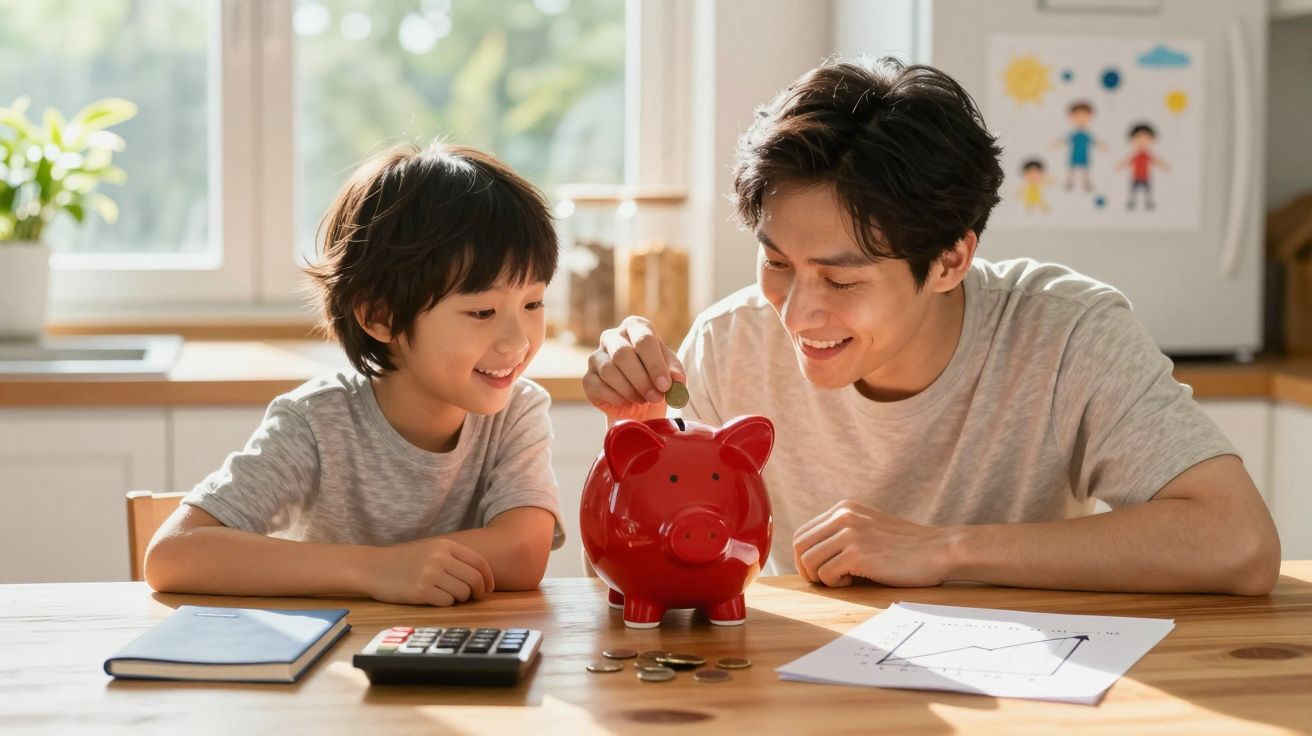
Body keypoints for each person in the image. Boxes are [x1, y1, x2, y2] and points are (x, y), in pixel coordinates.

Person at [583, 57, 1280, 596]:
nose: (795, 312)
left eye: (842, 278)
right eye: (776, 262)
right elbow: (635, 580)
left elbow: (1239, 542)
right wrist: (636, 439)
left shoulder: (1066, 333)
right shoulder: (729, 343)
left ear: (951, 259)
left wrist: (943, 549)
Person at [145, 144, 566, 606]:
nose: (518, 342)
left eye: (533, 304)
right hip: (334, 665)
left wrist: (402, 566)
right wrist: (375, 570)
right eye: (482, 311)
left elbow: (523, 555)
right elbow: (172, 555)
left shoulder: (517, 411)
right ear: (380, 316)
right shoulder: (316, 422)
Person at [1119, 123, 1168, 211]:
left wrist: (1163, 165)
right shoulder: (1135, 155)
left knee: (1148, 192)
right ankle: (1131, 202)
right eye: (1138, 138)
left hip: (1146, 177)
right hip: (1135, 177)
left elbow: (1156, 161)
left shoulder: (1148, 155)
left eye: (1146, 139)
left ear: (1152, 141)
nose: (1142, 142)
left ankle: (1148, 203)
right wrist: (1120, 165)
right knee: (1133, 191)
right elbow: (1127, 161)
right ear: (1132, 140)